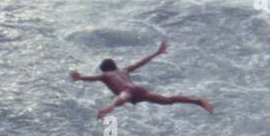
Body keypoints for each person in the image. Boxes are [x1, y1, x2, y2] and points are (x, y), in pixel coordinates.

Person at [70, 41, 214, 119]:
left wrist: (80, 77)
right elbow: (141, 62)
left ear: (104, 69)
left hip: (128, 91)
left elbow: (91, 78)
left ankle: (110, 107)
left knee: (122, 97)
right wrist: (157, 52)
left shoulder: (105, 75)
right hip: (139, 90)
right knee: (169, 100)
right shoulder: (124, 70)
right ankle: (198, 101)